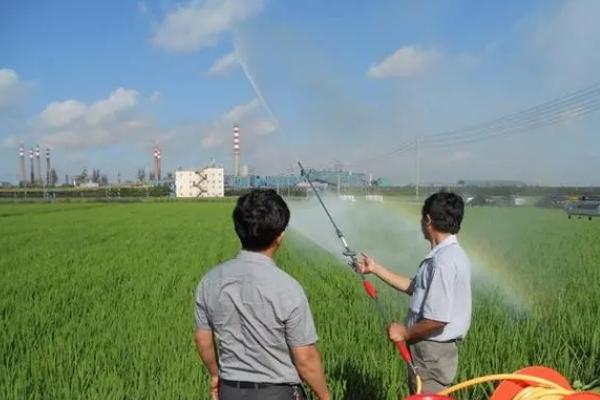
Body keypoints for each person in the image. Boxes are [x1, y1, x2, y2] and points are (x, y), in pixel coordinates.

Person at [194, 189, 330, 400]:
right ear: (279, 237)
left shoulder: (209, 281)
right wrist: (325, 396)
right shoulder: (288, 288)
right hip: (278, 392)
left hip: (231, 391)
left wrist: (215, 375)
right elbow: (306, 358)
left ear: (238, 229)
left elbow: (203, 339)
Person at [357, 192, 472, 394]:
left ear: (428, 220)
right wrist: (375, 268)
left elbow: (437, 319)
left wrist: (405, 332)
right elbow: (414, 287)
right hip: (432, 352)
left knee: (426, 396)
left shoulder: (442, 262)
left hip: (432, 352)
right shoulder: (448, 255)